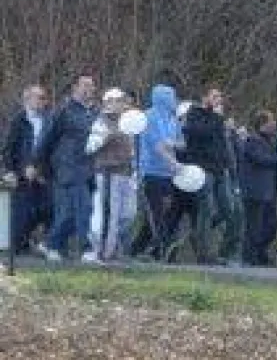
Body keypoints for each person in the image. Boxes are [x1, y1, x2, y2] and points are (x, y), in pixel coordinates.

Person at [37, 74, 99, 261]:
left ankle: (49, 244)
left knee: (69, 214)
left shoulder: (94, 113)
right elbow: (47, 139)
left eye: (92, 85)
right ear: (75, 88)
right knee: (84, 208)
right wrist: (38, 164)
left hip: (88, 169)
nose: (90, 89)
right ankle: (86, 250)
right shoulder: (63, 111)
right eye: (85, 85)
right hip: (68, 167)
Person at [180, 87, 236, 264]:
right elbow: (200, 133)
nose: (219, 99)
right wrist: (218, 119)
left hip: (220, 169)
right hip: (204, 168)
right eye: (214, 96)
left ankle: (198, 235)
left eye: (220, 95)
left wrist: (228, 165)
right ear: (204, 98)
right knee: (207, 208)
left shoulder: (218, 119)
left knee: (228, 209)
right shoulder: (194, 114)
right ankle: (204, 253)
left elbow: (222, 144)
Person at [85, 88, 138, 263]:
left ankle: (111, 245)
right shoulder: (101, 122)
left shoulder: (129, 122)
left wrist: (135, 174)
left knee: (129, 214)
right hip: (108, 174)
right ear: (107, 103)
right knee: (110, 215)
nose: (119, 104)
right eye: (114, 101)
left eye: (121, 100)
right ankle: (102, 252)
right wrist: (106, 137)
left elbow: (132, 151)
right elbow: (89, 147)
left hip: (126, 175)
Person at [135, 84, 186, 261]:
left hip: (169, 174)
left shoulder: (173, 119)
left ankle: (137, 248)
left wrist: (171, 144)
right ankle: (161, 249)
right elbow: (157, 146)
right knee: (155, 212)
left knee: (168, 212)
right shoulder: (149, 117)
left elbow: (181, 142)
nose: (175, 100)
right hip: (151, 172)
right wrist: (173, 162)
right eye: (172, 97)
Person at [4, 84, 52, 257]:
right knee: (22, 213)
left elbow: (49, 148)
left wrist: (41, 170)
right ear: (27, 99)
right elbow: (9, 149)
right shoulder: (18, 120)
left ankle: (42, 244)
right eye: (39, 98)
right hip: (21, 174)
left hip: (43, 174)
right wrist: (12, 171)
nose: (43, 102)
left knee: (47, 208)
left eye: (44, 98)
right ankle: (18, 247)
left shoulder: (48, 120)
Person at [238, 110, 277, 266]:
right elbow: (261, 159)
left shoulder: (268, 141)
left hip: (266, 191)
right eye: (271, 121)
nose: (274, 124)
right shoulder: (252, 141)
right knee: (253, 225)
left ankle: (260, 252)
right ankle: (249, 257)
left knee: (272, 223)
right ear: (262, 124)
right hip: (254, 191)